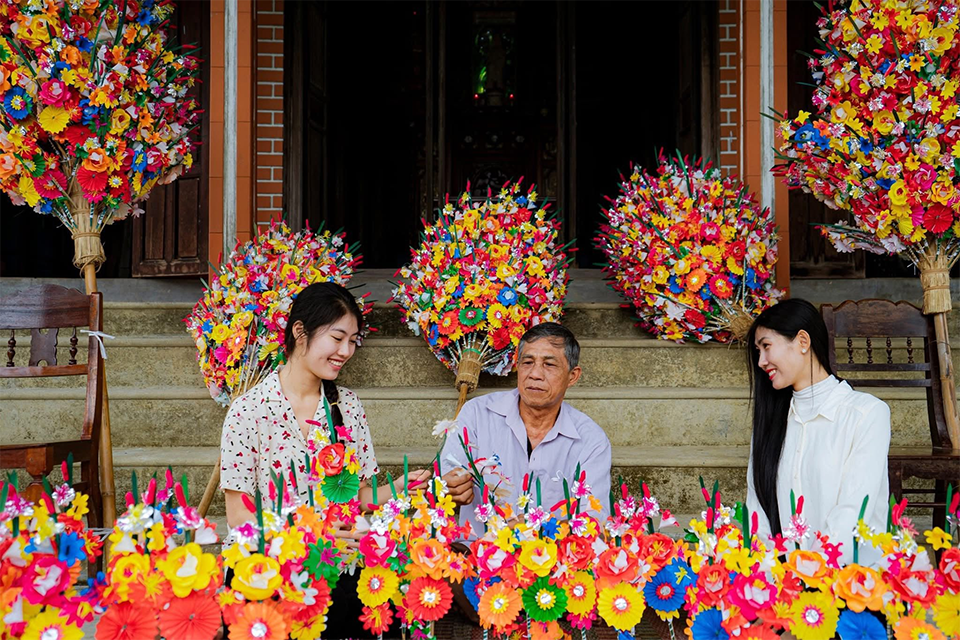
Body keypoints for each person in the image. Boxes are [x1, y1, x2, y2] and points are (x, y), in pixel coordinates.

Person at [218, 281, 429, 637]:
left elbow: (357, 498)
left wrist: (397, 488)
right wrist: (311, 536)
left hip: (339, 564)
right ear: (300, 331)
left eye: (353, 341)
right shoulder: (249, 411)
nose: (346, 350)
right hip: (268, 565)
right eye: (337, 337)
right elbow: (241, 519)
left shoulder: (347, 405)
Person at [745, 298, 890, 563]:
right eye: (758, 352)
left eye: (766, 346)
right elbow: (757, 515)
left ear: (802, 341)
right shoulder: (770, 424)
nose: (761, 361)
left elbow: (853, 512)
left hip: (851, 584)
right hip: (784, 584)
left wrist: (810, 574)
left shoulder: (866, 414)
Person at [440, 322, 612, 536]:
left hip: (552, 561)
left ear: (573, 376)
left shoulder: (590, 439)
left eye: (549, 365)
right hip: (477, 556)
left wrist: (536, 529)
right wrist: (449, 488)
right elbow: (446, 480)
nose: (535, 374)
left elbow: (595, 518)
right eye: (528, 362)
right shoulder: (477, 414)